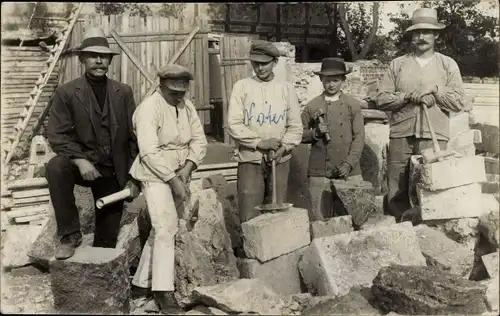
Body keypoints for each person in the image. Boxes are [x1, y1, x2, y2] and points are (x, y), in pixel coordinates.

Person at [46, 27, 140, 260]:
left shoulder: (124, 92)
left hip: (113, 170)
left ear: (109, 60)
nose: (99, 60)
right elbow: (56, 135)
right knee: (56, 166)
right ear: (82, 59)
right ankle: (69, 234)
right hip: (83, 165)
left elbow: (134, 136)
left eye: (104, 56)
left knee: (105, 246)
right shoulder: (66, 93)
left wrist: (134, 176)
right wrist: (79, 160)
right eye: (92, 56)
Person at [129, 64, 208, 313]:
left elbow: (199, 139)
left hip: (180, 170)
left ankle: (141, 284)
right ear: (161, 85)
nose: (178, 97)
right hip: (154, 173)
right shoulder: (148, 109)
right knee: (165, 229)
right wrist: (173, 179)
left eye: (182, 92)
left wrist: (187, 169)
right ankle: (164, 291)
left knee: (161, 229)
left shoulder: (187, 105)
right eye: (173, 92)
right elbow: (149, 151)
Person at [377, 8, 465, 220]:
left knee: (431, 187)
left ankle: (428, 231)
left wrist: (436, 91)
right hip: (401, 134)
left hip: (434, 137)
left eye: (427, 32)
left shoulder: (447, 65)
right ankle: (398, 230)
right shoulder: (397, 65)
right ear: (411, 36)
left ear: (436, 35)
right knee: (396, 189)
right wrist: (408, 97)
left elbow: (459, 102)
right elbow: (381, 99)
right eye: (417, 32)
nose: (421, 37)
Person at [227, 40, 303, 224]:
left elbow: (295, 127)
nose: (259, 68)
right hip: (250, 158)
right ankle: (249, 251)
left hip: (280, 158)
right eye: (255, 63)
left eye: (265, 63)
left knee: (277, 213)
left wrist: (284, 146)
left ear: (275, 62)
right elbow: (233, 124)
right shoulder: (242, 87)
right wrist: (259, 143)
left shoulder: (286, 88)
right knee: (249, 212)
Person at [301, 58, 365, 221]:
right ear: (321, 80)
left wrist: (349, 163)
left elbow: (359, 137)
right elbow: (297, 134)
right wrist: (314, 132)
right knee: (320, 217)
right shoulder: (312, 106)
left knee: (355, 214)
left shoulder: (353, 105)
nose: (331, 85)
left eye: (336, 80)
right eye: (327, 80)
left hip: (349, 171)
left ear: (343, 80)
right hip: (319, 169)